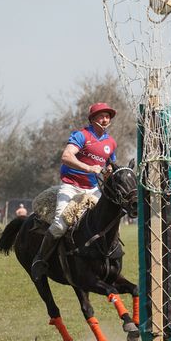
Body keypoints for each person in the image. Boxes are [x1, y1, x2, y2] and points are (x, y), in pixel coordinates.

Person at [30, 102, 118, 281]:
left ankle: (105, 258)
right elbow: (66, 156)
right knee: (60, 225)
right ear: (92, 119)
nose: (105, 119)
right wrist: (88, 167)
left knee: (107, 221)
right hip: (71, 186)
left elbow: (110, 166)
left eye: (107, 116)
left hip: (93, 189)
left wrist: (109, 171)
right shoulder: (82, 135)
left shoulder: (111, 142)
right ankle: (39, 260)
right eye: (101, 115)